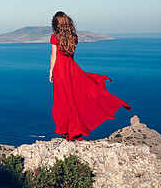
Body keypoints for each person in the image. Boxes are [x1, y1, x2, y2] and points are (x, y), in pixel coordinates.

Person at [49, 11, 130, 140]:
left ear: (56, 24)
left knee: (63, 102)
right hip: (71, 68)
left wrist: (51, 72)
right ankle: (75, 129)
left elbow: (54, 56)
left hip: (60, 70)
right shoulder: (73, 38)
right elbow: (71, 56)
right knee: (77, 97)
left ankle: (70, 130)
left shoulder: (55, 37)